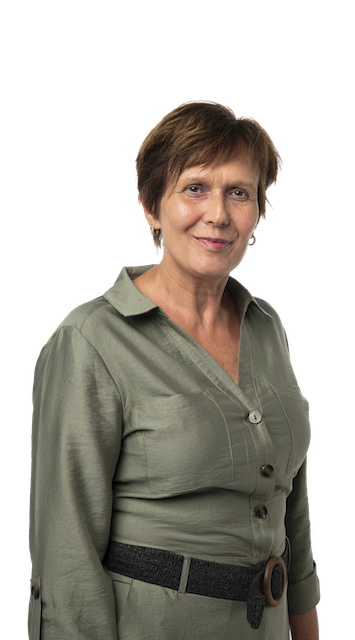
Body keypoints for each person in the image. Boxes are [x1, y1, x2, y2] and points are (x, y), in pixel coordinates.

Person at [28, 97, 321, 639]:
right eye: (195, 188)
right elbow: (66, 554)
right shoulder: (90, 341)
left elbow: (290, 513)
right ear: (150, 205)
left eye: (239, 193)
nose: (219, 214)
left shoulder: (266, 327)